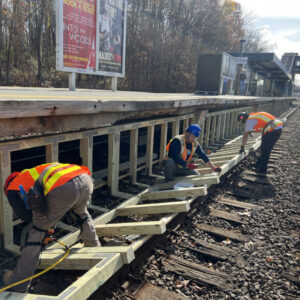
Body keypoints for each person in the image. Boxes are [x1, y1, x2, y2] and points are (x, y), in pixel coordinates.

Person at [2, 162, 100, 292]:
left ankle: (19, 283)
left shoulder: (11, 188)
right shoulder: (31, 173)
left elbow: (26, 217)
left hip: (66, 187)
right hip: (85, 179)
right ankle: (95, 250)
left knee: (36, 232)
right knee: (82, 215)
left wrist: (45, 228)